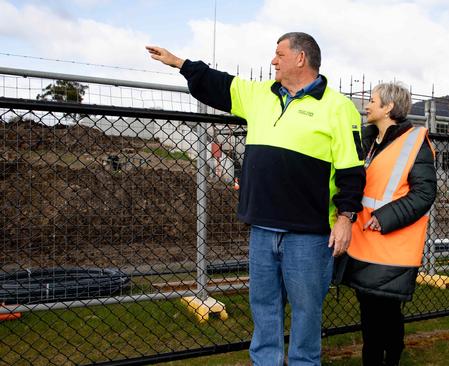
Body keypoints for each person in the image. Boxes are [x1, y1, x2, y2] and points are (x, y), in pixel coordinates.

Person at [146, 32, 366, 366]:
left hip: (309, 233)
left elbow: (352, 169)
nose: (273, 60)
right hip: (262, 228)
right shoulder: (260, 95)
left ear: (301, 58)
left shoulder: (338, 107)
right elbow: (219, 84)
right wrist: (179, 63)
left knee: (307, 311)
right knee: (263, 305)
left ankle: (305, 362)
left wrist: (346, 219)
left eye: (279, 54)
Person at [342, 82, 437, 366]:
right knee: (369, 313)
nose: (366, 105)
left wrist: (384, 219)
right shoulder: (368, 140)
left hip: (392, 244)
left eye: (372, 100)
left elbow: (424, 193)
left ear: (388, 108)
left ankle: (390, 358)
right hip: (364, 242)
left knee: (386, 312)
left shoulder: (414, 142)